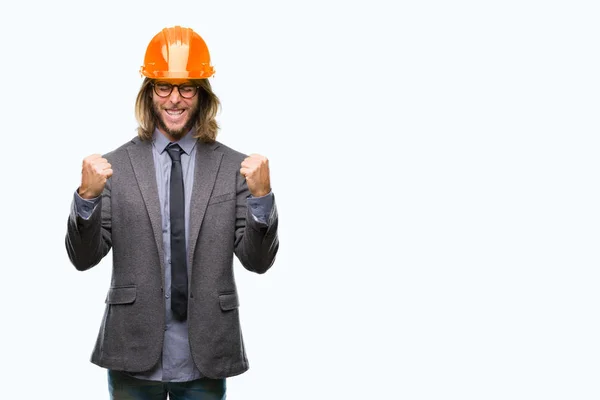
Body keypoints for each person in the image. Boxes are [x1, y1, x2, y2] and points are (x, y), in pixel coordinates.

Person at [65, 25, 279, 400]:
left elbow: (257, 263)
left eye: (187, 87)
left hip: (205, 354)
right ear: (149, 94)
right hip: (133, 351)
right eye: (164, 87)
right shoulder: (115, 168)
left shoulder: (235, 168)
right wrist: (87, 199)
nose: (175, 99)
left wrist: (262, 199)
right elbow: (83, 259)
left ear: (202, 94)